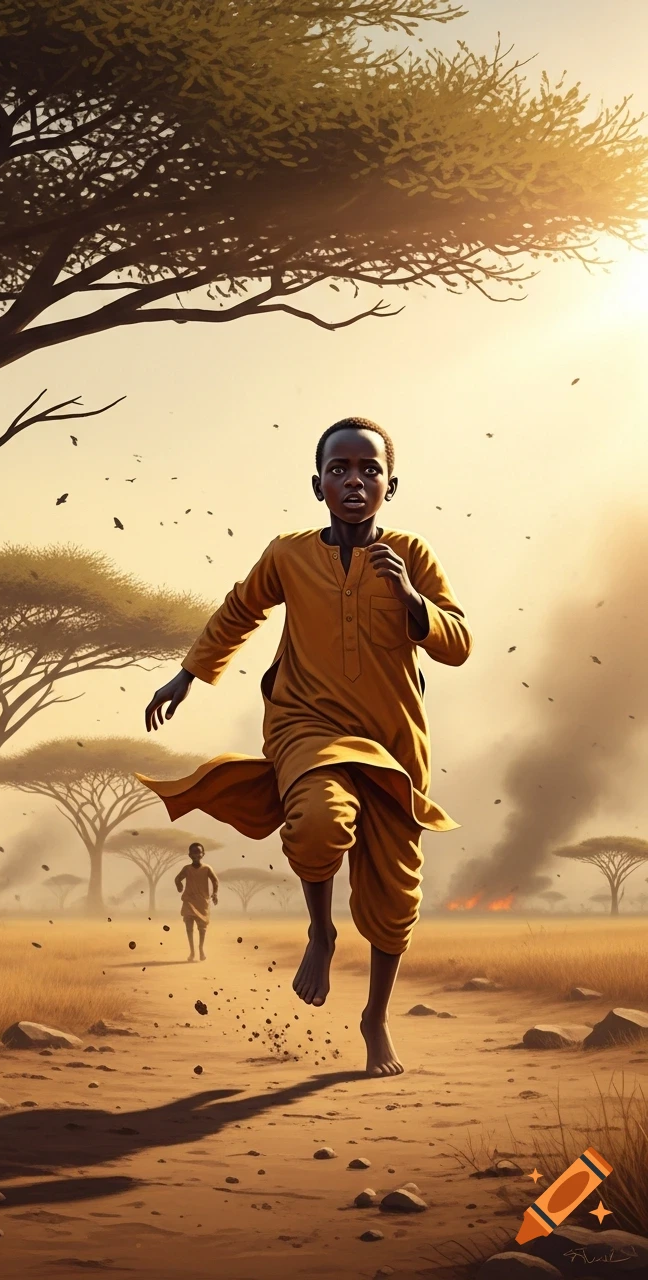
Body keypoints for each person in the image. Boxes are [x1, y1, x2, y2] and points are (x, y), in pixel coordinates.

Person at [138, 417, 472, 1077]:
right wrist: (189, 673)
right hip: (305, 724)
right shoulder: (288, 554)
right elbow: (240, 611)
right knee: (318, 823)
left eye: (369, 469)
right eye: (340, 468)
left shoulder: (414, 555)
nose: (354, 480)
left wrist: (410, 596)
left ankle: (375, 1019)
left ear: (390, 486)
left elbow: (457, 644)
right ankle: (321, 931)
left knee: (395, 896)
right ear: (317, 483)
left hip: (394, 741)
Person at [175, 841, 218, 961]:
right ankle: (192, 952)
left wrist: (214, 893)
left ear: (203, 854)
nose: (196, 855)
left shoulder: (207, 868)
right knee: (189, 928)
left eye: (198, 852)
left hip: (202, 902)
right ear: (189, 855)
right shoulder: (187, 869)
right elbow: (178, 878)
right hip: (189, 901)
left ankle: (201, 949)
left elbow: (215, 881)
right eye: (193, 852)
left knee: (202, 928)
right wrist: (179, 885)